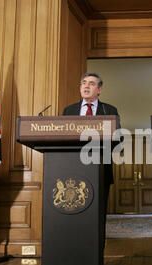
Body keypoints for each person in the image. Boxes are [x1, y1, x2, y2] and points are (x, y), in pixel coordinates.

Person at [62, 72, 119, 251]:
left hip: (100, 168)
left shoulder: (109, 110)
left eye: (92, 84)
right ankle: (72, 249)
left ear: (99, 89)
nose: (86, 86)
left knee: (97, 214)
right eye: (84, 83)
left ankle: (97, 253)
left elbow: (118, 139)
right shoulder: (68, 111)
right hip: (72, 169)